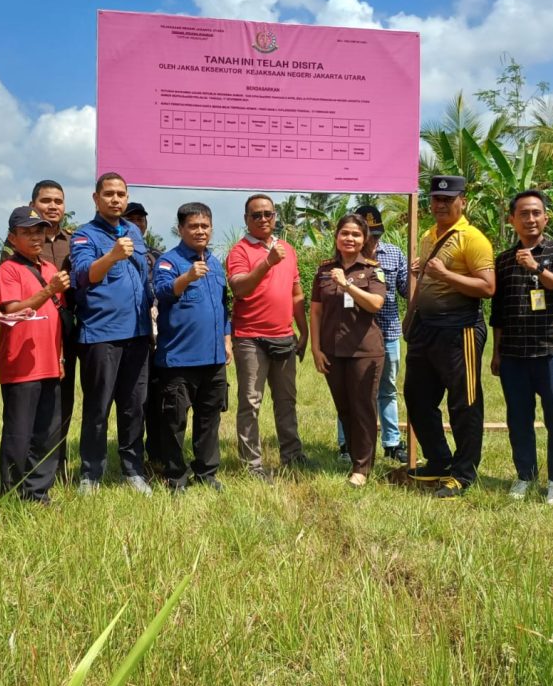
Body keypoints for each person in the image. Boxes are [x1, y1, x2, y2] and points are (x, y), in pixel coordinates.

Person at [403, 175, 495, 498]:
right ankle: (439, 461)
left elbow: (487, 287)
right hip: (426, 330)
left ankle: (463, 473)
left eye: (448, 199)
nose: (441, 205)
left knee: (464, 403)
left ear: (462, 201)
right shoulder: (429, 235)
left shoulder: (473, 239)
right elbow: (428, 281)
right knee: (416, 397)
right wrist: (411, 313)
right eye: (436, 199)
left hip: (461, 331)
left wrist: (446, 274)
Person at [489, 190, 553, 505]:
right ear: (512, 219)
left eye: (536, 213)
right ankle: (525, 475)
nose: (530, 219)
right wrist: (497, 352)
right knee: (518, 418)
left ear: (546, 217)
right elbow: (498, 310)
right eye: (523, 213)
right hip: (514, 355)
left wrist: (536, 268)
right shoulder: (502, 260)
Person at [70, 172, 153, 494]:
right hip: (101, 334)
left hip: (138, 333)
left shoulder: (134, 230)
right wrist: (112, 255)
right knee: (97, 408)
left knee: (134, 407)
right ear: (96, 198)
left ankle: (133, 471)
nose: (116, 199)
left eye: (121, 194)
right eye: (109, 194)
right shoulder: (84, 235)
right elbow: (83, 276)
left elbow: (143, 276)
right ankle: (91, 474)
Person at [227, 194, 310, 480]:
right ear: (246, 219)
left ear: (275, 216)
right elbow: (240, 289)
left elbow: (297, 293)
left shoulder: (287, 248)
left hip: (284, 336)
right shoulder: (240, 251)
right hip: (250, 337)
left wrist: (305, 330)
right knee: (250, 402)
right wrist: (267, 262)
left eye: (267, 214)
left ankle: (293, 455)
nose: (263, 219)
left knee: (286, 400)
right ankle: (252, 465)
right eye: (256, 215)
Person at [152, 203, 232, 493]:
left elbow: (223, 306)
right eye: (193, 226)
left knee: (209, 418)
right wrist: (186, 277)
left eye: (205, 226)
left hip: (213, 357)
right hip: (178, 359)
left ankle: (206, 472)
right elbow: (161, 292)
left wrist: (226, 337)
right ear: (180, 229)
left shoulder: (215, 262)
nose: (200, 231)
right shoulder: (168, 261)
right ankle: (175, 475)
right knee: (174, 421)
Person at [0, 206, 71, 503]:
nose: (36, 237)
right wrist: (47, 289)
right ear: (13, 238)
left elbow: (57, 317)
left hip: (51, 363)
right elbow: (11, 310)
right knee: (19, 434)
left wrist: (61, 357)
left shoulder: (50, 269)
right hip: (21, 365)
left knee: (47, 433)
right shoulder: (9, 270)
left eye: (39, 230)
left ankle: (39, 492)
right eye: (27, 232)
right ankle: (13, 492)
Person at [311, 214, 386, 486]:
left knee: (363, 407)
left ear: (364, 239)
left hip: (365, 350)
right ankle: (357, 457)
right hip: (332, 350)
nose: (350, 239)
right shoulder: (324, 270)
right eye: (345, 233)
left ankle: (362, 468)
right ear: (336, 237)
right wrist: (316, 349)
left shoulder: (373, 270)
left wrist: (347, 284)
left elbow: (375, 303)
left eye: (356, 234)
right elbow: (316, 312)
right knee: (344, 408)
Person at [336, 205, 409, 464]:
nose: (372, 241)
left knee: (387, 389)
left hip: (387, 331)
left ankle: (391, 442)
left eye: (376, 234)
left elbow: (406, 291)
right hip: (354, 335)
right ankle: (347, 443)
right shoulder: (343, 260)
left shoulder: (394, 255)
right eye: (369, 234)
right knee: (349, 390)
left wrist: (417, 276)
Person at [29, 180, 75, 477]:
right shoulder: (23, 240)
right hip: (36, 328)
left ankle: (57, 461)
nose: (53, 206)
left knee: (65, 395)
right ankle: (32, 460)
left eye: (58, 201)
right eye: (46, 200)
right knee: (38, 396)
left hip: (71, 326)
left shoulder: (73, 240)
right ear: (34, 204)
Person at [124, 201, 164, 474]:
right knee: (133, 402)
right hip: (130, 334)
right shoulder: (118, 254)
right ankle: (129, 459)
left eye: (141, 219)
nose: (137, 223)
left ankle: (157, 455)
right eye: (132, 219)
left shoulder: (158, 256)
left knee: (158, 399)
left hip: (158, 337)